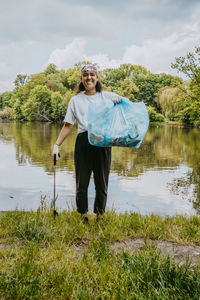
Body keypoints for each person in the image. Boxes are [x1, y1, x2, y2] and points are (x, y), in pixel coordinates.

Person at [52, 65, 121, 224]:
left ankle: (100, 215)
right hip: (83, 141)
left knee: (101, 181)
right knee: (81, 182)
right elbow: (68, 125)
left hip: (102, 141)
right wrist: (57, 145)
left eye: (92, 75)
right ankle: (83, 214)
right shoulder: (75, 100)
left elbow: (125, 108)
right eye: (85, 75)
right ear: (82, 79)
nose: (89, 78)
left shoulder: (107, 96)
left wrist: (120, 102)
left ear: (97, 78)